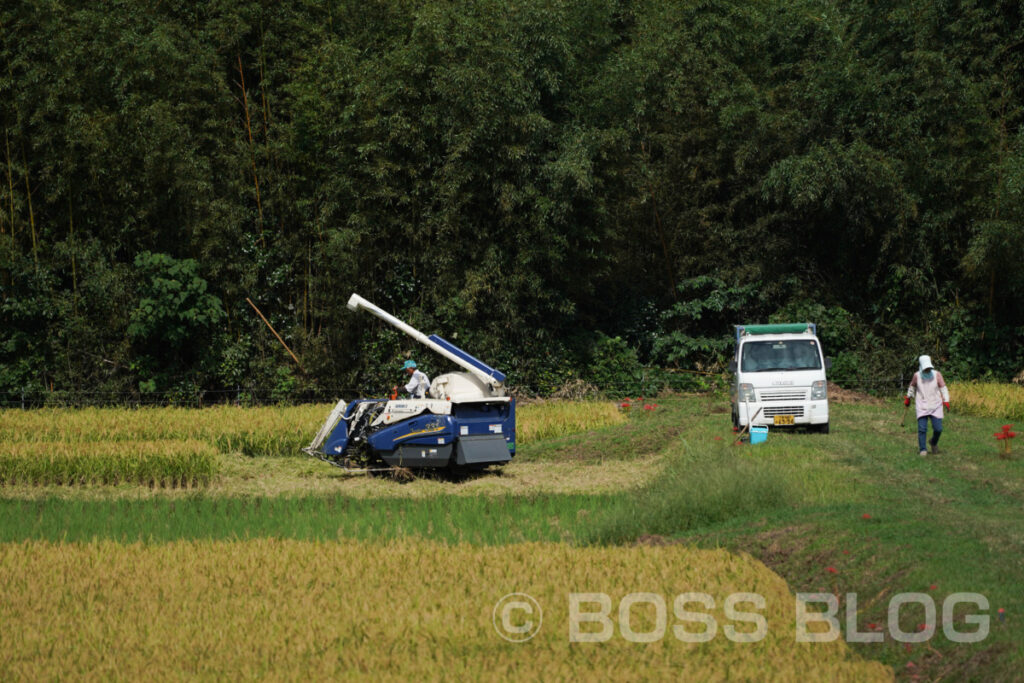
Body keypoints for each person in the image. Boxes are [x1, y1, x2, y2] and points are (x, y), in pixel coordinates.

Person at [904, 355, 950, 456]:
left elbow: (943, 388)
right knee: (922, 428)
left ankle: (933, 442)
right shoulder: (917, 375)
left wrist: (946, 400)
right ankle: (923, 449)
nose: (927, 369)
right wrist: (908, 397)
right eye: (925, 368)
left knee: (938, 429)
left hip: (936, 405)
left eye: (929, 367)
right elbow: (912, 387)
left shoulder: (937, 374)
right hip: (922, 405)